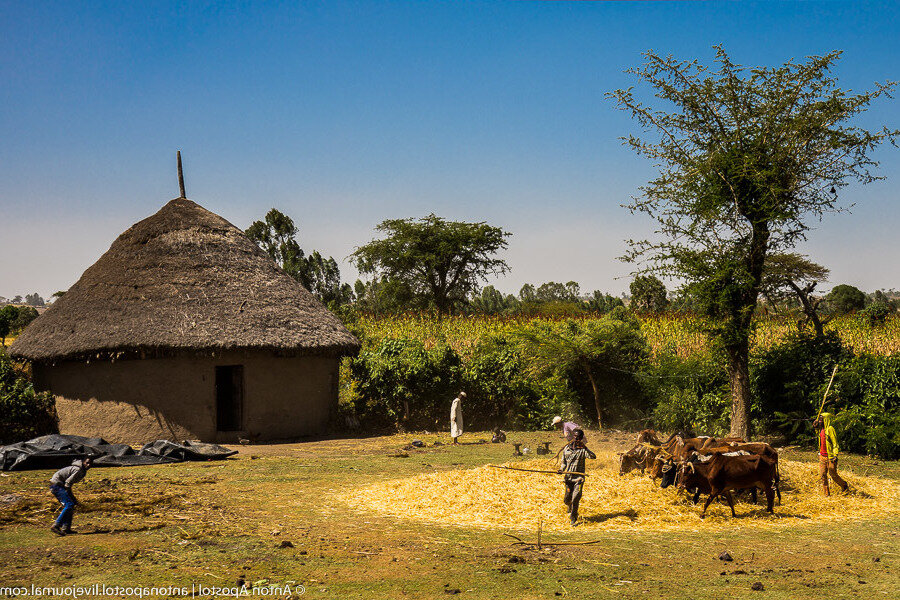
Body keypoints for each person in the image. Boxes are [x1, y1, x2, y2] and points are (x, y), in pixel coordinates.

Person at [558, 428, 596, 526]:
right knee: (567, 499)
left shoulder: (583, 450)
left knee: (575, 498)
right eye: (575, 436)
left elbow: (593, 456)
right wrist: (561, 470)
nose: (576, 439)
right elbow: (564, 463)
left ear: (581, 438)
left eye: (578, 437)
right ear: (572, 436)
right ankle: (569, 505)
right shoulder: (566, 449)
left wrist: (585, 447)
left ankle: (573, 517)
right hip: (568, 478)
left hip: (578, 479)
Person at [49, 457, 93, 536]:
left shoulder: (82, 471)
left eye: (90, 464)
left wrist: (72, 496)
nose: (88, 465)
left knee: (71, 505)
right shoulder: (78, 470)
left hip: (60, 486)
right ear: (83, 462)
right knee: (69, 504)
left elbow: (69, 484)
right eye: (87, 463)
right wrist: (71, 495)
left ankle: (66, 528)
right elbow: (68, 483)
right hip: (57, 485)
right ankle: (56, 525)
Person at [814, 412, 848, 496]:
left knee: (833, 474)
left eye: (821, 420)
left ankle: (844, 485)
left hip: (830, 457)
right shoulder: (820, 430)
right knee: (823, 475)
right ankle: (826, 493)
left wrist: (835, 455)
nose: (819, 421)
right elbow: (818, 434)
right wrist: (815, 426)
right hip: (822, 456)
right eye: (819, 420)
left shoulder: (830, 429)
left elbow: (835, 443)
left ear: (826, 420)